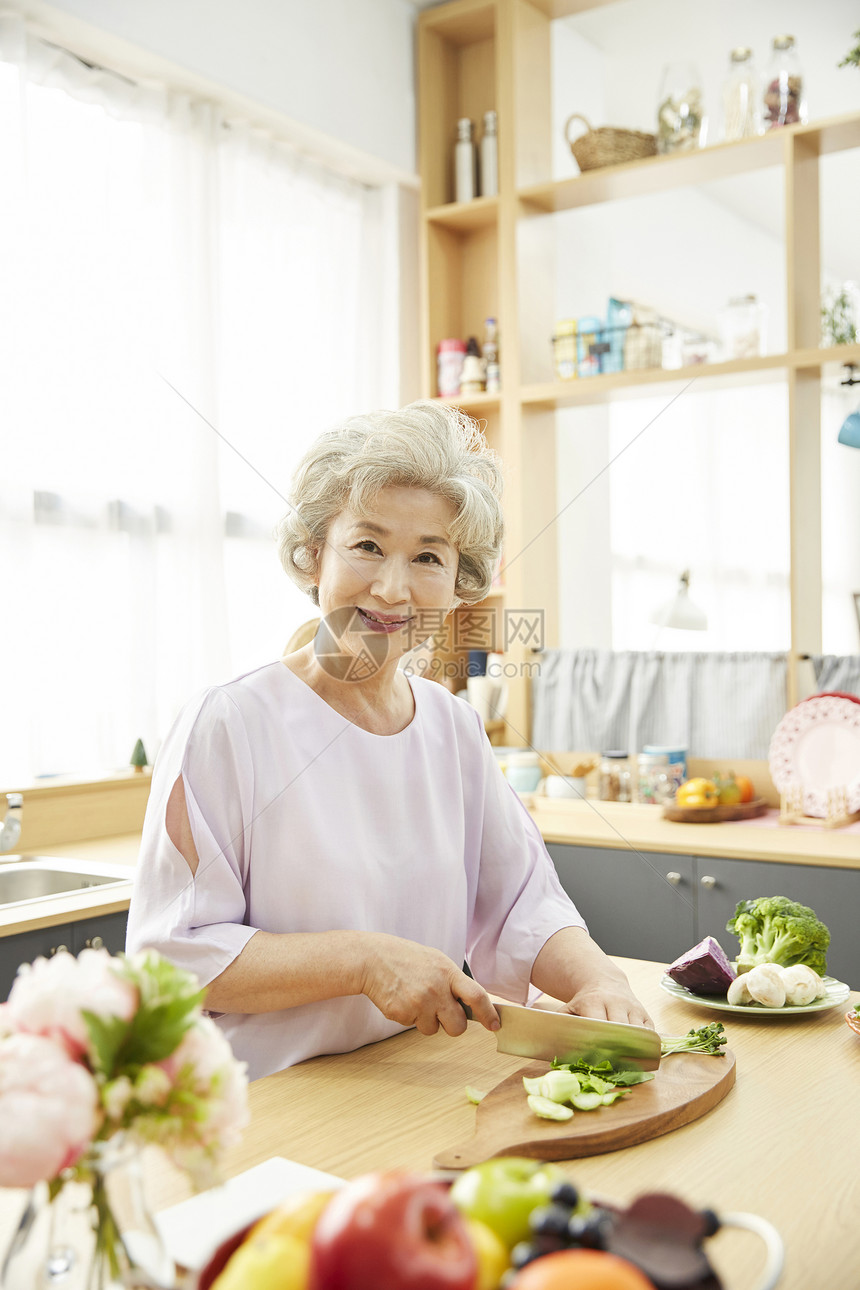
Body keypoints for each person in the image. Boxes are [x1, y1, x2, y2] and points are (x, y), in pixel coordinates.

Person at [126, 402, 653, 1080]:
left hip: (408, 1076)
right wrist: (364, 961)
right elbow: (172, 956)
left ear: (461, 584)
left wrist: (598, 981)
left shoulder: (453, 727)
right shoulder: (229, 723)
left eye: (428, 556)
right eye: (367, 545)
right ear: (315, 555)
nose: (393, 588)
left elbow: (523, 899)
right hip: (267, 1095)